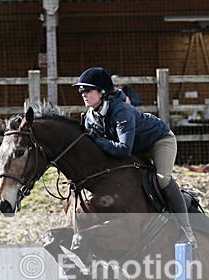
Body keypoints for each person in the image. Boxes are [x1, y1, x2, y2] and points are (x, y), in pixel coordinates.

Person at [74, 67, 196, 247]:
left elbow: (123, 149)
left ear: (102, 92)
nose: (83, 94)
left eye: (88, 90)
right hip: (135, 148)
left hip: (158, 141)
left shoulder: (121, 110)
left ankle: (187, 231)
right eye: (81, 91)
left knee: (162, 179)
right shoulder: (89, 117)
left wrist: (97, 140)